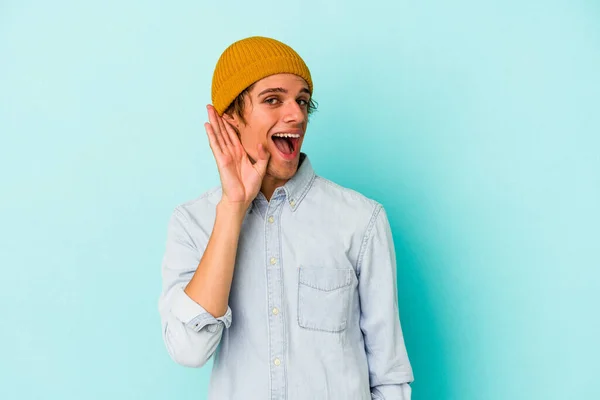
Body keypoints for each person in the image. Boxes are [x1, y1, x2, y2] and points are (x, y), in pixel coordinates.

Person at [158, 36, 414, 400]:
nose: (296, 114)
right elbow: (188, 350)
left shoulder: (361, 219)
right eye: (273, 100)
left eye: (303, 100)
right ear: (230, 117)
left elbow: (388, 374)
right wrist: (233, 209)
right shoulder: (192, 223)